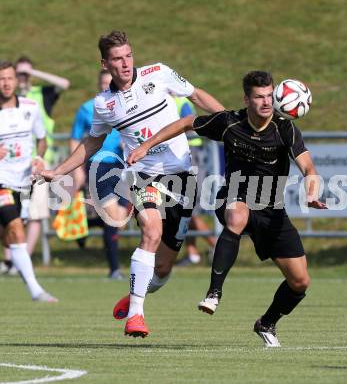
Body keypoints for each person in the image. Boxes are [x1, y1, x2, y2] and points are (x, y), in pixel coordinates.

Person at [37, 30, 224, 337]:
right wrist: (60, 170)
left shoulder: (159, 73)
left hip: (183, 176)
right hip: (142, 175)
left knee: (162, 270)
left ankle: (136, 294)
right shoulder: (104, 104)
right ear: (105, 63)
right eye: (117, 59)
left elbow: (196, 95)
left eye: (128, 56)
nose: (125, 64)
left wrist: (230, 121)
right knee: (151, 229)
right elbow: (92, 141)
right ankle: (135, 316)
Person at [126, 70, 327, 347]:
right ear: (247, 99)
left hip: (271, 208)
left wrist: (312, 189)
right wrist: (146, 145)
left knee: (300, 282)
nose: (266, 102)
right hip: (233, 196)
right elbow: (186, 123)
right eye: (258, 97)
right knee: (237, 215)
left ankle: (266, 323)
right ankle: (214, 292)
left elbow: (308, 167)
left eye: (269, 96)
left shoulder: (285, 128)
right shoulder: (230, 122)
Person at [0, 60, 58, 302]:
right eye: (1, 79)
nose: (5, 83)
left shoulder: (31, 107)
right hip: (1, 181)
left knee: (12, 234)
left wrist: (38, 157)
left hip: (24, 182)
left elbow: (42, 139)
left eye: (9, 78)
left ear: (17, 80)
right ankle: (36, 290)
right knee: (15, 229)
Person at [70, 69, 130, 280]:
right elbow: (75, 140)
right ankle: (114, 269)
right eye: (103, 83)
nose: (107, 86)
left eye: (110, 83)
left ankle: (84, 227)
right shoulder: (87, 109)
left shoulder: (125, 106)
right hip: (98, 166)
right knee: (113, 218)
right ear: (99, 84)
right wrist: (77, 171)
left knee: (119, 221)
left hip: (123, 167)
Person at [15, 56, 70, 257]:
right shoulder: (8, 98)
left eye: (24, 73)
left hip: (38, 161)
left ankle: (24, 258)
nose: (22, 77)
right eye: (18, 74)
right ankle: (11, 258)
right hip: (12, 161)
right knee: (10, 212)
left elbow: (64, 84)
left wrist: (32, 73)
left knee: (35, 213)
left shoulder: (41, 94)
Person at [173, 96, 216, 266]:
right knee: (185, 209)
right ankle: (192, 253)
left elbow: (191, 127)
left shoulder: (181, 102)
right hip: (180, 158)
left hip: (189, 156)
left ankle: (217, 246)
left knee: (190, 211)